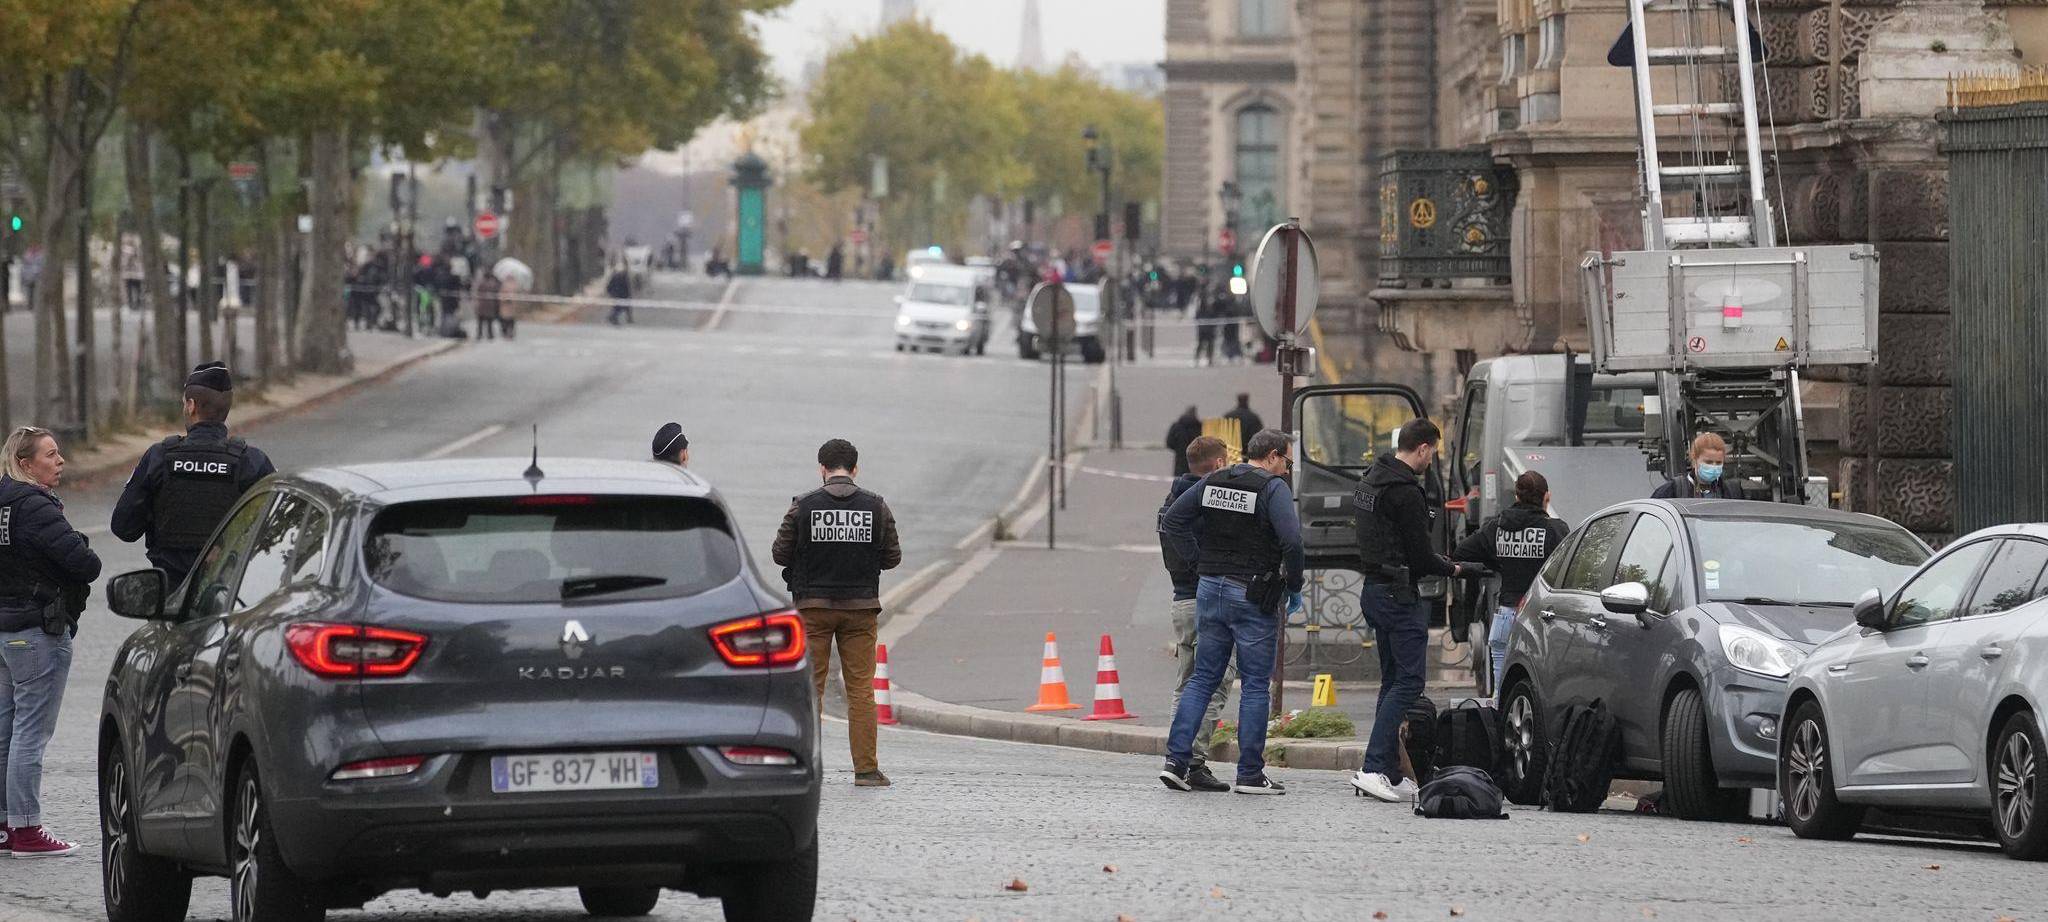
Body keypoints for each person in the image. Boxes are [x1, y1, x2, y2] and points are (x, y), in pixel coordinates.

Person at [1158, 428, 1306, 796]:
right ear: (1272, 456)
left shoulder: (1214, 480)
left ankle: (1176, 762)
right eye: (1287, 463)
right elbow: (1292, 541)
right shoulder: (1272, 488)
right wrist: (1294, 585)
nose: (1286, 471)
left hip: (1210, 590)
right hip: (1251, 592)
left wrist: (1199, 563)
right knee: (1255, 684)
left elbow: (1173, 520)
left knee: (1203, 678)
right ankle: (1251, 775)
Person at [771, 439, 902, 788]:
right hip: (860, 609)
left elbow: (780, 554)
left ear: (822, 469)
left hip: (813, 608)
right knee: (861, 691)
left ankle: (808, 767)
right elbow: (892, 557)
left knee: (810, 690)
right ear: (855, 469)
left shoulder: (803, 506)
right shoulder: (876, 506)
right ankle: (866, 770)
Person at [1350, 418, 1466, 803]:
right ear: (1423, 448)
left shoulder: (1371, 480)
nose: (1431, 461)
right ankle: (1372, 768)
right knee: (1410, 682)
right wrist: (1453, 568)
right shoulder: (1406, 491)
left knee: (1392, 681)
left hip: (1374, 589)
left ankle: (1388, 771)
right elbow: (1419, 554)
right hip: (1399, 595)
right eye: (1432, 453)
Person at [0, 426, 101, 857]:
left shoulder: (3, 502)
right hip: (38, 629)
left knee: (6, 731)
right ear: (26, 464)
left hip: (6, 630)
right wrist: (80, 545)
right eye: (51, 454)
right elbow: (85, 563)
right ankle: (26, 829)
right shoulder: (36, 506)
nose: (60, 461)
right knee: (30, 732)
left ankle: (4, 826)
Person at [111, 362, 277, 589]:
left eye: (184, 403)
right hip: (229, 594)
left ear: (191, 406)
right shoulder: (253, 462)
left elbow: (124, 528)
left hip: (171, 595)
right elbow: (272, 532)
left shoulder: (160, 458)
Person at [1160, 435, 1238, 792]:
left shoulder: (1171, 501)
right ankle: (1192, 761)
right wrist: (1204, 568)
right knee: (1215, 682)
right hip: (1207, 600)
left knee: (1186, 683)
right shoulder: (1210, 502)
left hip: (1180, 600)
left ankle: (1175, 757)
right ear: (1219, 463)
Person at [1453, 471, 1568, 684]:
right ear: (1547, 497)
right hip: (1541, 619)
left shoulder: (1496, 528)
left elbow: (1461, 552)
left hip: (1505, 618)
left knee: (1502, 691)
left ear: (1517, 496)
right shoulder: (1555, 530)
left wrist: (1498, 564)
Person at [1653, 432, 1741, 499]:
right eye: (1708, 462)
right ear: (1694, 460)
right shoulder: (1673, 490)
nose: (1714, 467)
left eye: (1718, 463)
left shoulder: (1732, 492)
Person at [1165, 406, 1203, 477]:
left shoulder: (1177, 426)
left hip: (1180, 461)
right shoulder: (1199, 427)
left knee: (1180, 479)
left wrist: (1179, 449)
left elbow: (1169, 443)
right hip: (1195, 462)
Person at [1223, 393, 1264, 460]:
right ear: (1247, 400)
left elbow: (1223, 435)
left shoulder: (1228, 416)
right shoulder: (1253, 417)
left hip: (1231, 454)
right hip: (1248, 454)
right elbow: (1258, 437)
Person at [473, 271, 502, 341]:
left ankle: (479, 334)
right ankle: (490, 334)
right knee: (489, 321)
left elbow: (477, 292)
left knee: (480, 322)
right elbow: (496, 293)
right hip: (490, 305)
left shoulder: (481, 283)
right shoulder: (493, 284)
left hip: (482, 305)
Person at [606, 261, 634, 326]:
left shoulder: (616, 276)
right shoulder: (623, 277)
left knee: (621, 307)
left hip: (618, 294)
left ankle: (614, 317)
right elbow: (627, 286)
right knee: (621, 307)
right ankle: (613, 318)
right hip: (621, 294)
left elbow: (609, 286)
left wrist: (610, 292)